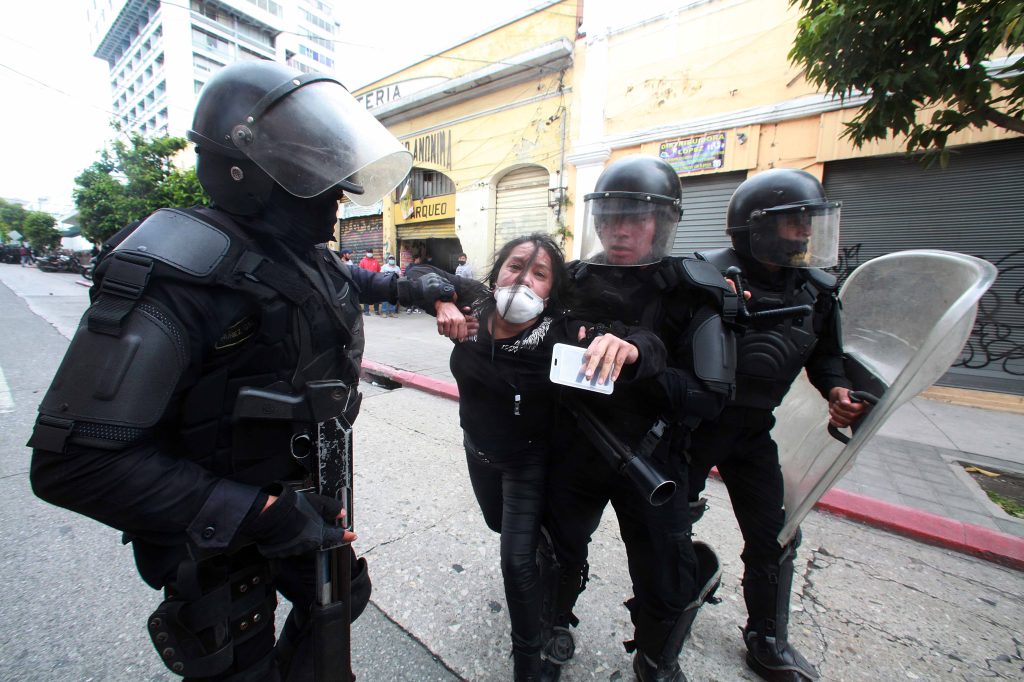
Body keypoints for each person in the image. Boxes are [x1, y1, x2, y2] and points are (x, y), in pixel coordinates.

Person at [27, 61, 450, 682]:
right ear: (245, 171)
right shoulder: (176, 273)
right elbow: (75, 463)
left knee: (342, 599)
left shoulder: (301, 255)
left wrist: (435, 288)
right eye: (311, 170)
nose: (337, 190)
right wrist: (263, 514)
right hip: (217, 534)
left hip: (305, 505)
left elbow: (357, 281)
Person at [420, 234, 668, 681]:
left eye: (539, 274)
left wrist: (630, 349)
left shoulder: (561, 332)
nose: (523, 280)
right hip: (477, 453)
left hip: (526, 465)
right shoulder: (474, 308)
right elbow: (417, 276)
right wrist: (441, 303)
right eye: (515, 267)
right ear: (496, 272)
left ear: (552, 290)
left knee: (515, 562)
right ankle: (544, 563)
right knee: (501, 528)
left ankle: (529, 661)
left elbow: (646, 342)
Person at [530, 156, 738, 682]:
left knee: (668, 570)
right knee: (556, 551)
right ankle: (550, 629)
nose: (620, 229)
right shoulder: (570, 281)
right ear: (596, 221)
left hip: (654, 457)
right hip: (575, 448)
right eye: (610, 216)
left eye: (637, 217)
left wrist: (638, 367)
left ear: (662, 223)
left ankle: (656, 659)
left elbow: (710, 396)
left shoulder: (693, 290)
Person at [687, 168, 867, 682]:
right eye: (794, 222)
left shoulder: (818, 290)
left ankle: (766, 638)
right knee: (669, 524)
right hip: (694, 426)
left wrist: (837, 391)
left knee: (777, 535)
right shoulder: (704, 274)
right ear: (756, 226)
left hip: (752, 432)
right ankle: (665, 619)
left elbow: (827, 357)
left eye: (810, 221)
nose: (805, 232)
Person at [358, 250, 382, 316]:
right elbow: (360, 271)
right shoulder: (363, 261)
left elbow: (379, 271)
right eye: (368, 252)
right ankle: (366, 311)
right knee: (366, 295)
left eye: (371, 252)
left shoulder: (375, 261)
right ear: (366, 253)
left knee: (376, 296)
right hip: (366, 281)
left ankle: (376, 310)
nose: (370, 253)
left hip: (375, 281)